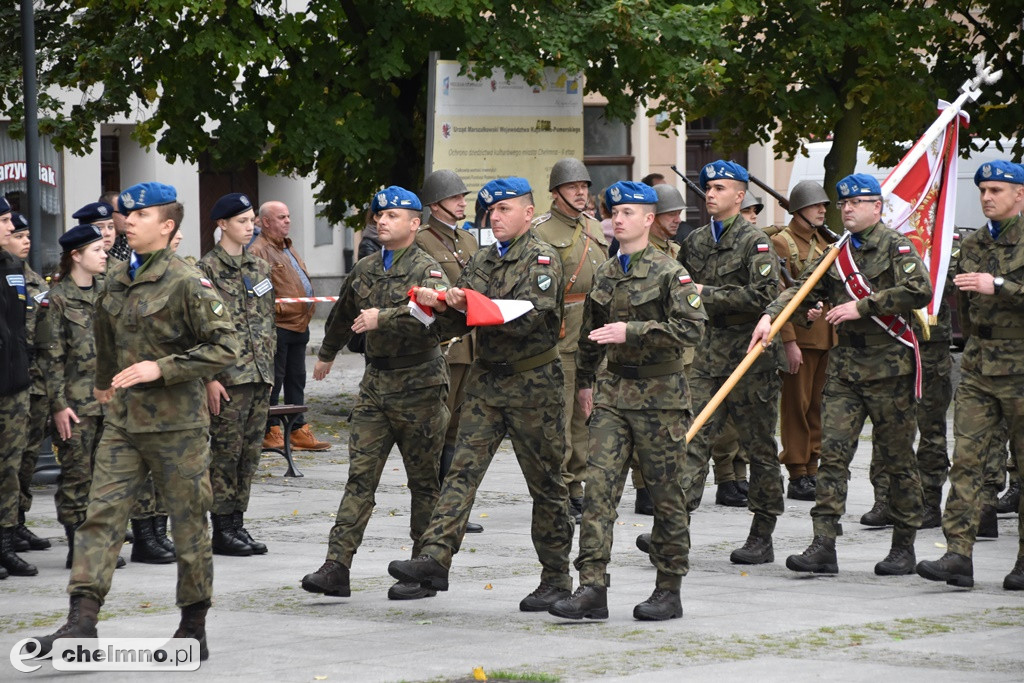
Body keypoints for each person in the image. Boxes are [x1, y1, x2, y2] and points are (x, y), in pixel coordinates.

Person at [29, 182, 239, 660]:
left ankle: (193, 627)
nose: (128, 221)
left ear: (167, 226)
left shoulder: (189, 281)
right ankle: (81, 621)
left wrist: (162, 368)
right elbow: (107, 339)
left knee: (188, 526)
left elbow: (226, 347)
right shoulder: (117, 278)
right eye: (128, 214)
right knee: (98, 518)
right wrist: (104, 386)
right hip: (122, 423)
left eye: (140, 215)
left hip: (177, 428)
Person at [388, 177, 574, 612]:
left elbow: (526, 317)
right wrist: (439, 306)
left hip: (534, 385)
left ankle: (557, 578)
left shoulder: (542, 259)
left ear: (528, 213)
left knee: (546, 485)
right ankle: (434, 558)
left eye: (505, 209)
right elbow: (458, 324)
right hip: (487, 383)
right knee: (459, 473)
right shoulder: (483, 259)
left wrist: (467, 303)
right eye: (491, 210)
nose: (496, 217)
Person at [750, 172, 931, 576]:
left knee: (897, 459)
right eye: (843, 203)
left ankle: (904, 546)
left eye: (857, 202)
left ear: (876, 207)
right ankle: (823, 544)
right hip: (846, 369)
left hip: (889, 369)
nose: (847, 208)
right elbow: (802, 289)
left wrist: (863, 306)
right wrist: (771, 316)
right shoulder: (836, 252)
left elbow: (920, 290)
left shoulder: (896, 246)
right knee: (832, 456)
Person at [548, 181, 706, 622]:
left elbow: (692, 329)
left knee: (666, 495)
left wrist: (633, 331)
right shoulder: (607, 271)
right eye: (615, 211)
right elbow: (590, 335)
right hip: (613, 395)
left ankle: (668, 588)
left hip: (661, 399)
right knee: (598, 492)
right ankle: (592, 588)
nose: (618, 218)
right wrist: (583, 382)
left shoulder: (671, 272)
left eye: (630, 212)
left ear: (649, 219)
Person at [300, 186, 451, 601]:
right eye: (379, 215)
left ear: (415, 224)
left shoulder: (429, 269)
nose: (382, 221)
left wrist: (382, 319)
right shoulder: (365, 267)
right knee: (359, 478)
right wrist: (327, 353)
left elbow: (436, 320)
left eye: (393, 216)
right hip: (375, 386)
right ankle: (336, 566)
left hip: (420, 384)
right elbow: (345, 312)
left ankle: (424, 568)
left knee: (424, 482)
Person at [916, 161, 1024, 590]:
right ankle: (958, 554)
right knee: (966, 462)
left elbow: (988, 290)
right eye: (982, 190)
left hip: (1020, 365)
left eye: (996, 190)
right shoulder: (974, 242)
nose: (986, 197)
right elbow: (960, 302)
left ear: (1019, 193)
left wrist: (999, 285)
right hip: (980, 366)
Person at [678, 160, 785, 566]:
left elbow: (763, 297)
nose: (710, 194)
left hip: (749, 355)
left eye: (720, 188)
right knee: (692, 437)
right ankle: (675, 529)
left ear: (740, 197)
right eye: (707, 187)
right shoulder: (696, 241)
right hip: (707, 354)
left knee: (759, 446)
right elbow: (683, 290)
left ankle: (762, 533)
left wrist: (707, 294)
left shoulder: (755, 242)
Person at [198, 193, 276, 556]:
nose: (250, 227)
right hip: (229, 378)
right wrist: (209, 378)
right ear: (222, 225)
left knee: (249, 455)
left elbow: (267, 321)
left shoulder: (258, 267)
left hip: (260, 375)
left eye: (251, 221)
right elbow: (199, 330)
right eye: (242, 221)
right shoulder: (205, 271)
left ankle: (238, 524)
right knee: (225, 455)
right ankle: (222, 528)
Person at [46, 224, 128, 569]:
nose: (104, 254)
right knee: (77, 476)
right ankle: (76, 546)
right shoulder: (57, 299)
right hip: (75, 405)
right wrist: (58, 406)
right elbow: (50, 358)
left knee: (104, 476)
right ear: (75, 255)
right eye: (96, 250)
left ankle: (99, 543)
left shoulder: (105, 294)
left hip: (108, 402)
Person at [532, 158, 609, 522]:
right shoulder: (541, 231)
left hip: (593, 331)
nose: (581, 192)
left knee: (586, 414)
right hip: (560, 333)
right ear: (556, 192)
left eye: (585, 186)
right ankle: (559, 489)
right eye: (573, 186)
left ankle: (578, 483)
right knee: (559, 417)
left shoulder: (595, 227)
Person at [416, 169, 484, 534]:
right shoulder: (422, 240)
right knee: (438, 427)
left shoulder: (468, 241)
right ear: (436, 203)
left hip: (470, 344)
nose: (462, 202)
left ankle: (453, 508)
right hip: (444, 346)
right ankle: (432, 507)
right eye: (456, 197)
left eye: (462, 196)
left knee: (459, 429)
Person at [769, 181, 835, 501]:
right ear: (798, 210)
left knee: (816, 407)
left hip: (826, 335)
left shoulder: (824, 240)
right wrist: (788, 341)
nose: (823, 210)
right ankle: (797, 472)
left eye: (823, 205)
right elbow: (781, 296)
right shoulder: (782, 244)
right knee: (796, 406)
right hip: (801, 337)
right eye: (815, 205)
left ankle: (812, 466)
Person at [250, 200, 329, 452]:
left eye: (288, 216)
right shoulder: (258, 251)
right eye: (281, 217)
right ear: (265, 222)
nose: (287, 221)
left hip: (299, 324)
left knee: (297, 379)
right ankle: (270, 430)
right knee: (275, 379)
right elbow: (257, 294)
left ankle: (297, 429)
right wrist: (281, 309)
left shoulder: (288, 247)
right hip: (278, 327)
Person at [3, 214, 54, 554]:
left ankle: (16, 524)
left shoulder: (26, 276)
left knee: (24, 459)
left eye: (25, 233)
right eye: (14, 231)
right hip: (16, 376)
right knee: (11, 461)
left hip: (28, 378)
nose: (23, 239)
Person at [0, 199, 39, 579]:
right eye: (5, 220)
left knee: (9, 467)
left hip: (13, 382)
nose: (10, 226)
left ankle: (6, 544)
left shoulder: (13, 269)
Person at [99, 191, 132, 261]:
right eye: (122, 212)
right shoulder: (98, 245)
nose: (127, 217)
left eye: (128, 212)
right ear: (108, 213)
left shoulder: (131, 239)